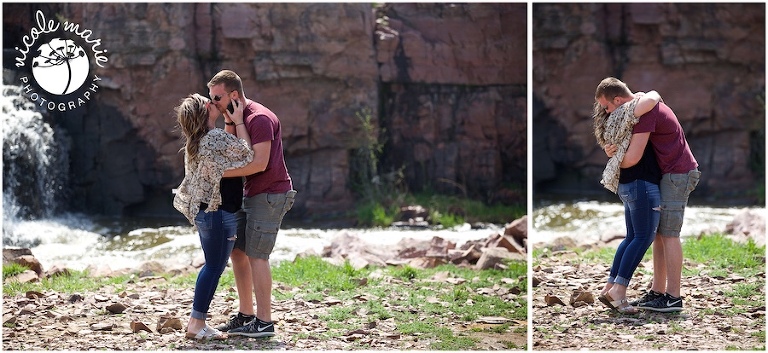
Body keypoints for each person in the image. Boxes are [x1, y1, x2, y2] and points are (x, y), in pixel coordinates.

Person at [207, 70, 296, 338]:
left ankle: (264, 322)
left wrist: (216, 173)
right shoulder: (239, 117)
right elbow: (232, 151)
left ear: (234, 95)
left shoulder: (259, 119)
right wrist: (230, 120)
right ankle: (246, 315)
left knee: (258, 255)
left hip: (270, 194)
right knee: (238, 251)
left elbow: (258, 163)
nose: (212, 102)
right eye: (210, 97)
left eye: (217, 97)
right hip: (253, 193)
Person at [604, 79, 701, 313]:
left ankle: (673, 297)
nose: (610, 115)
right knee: (658, 234)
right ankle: (658, 293)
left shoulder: (644, 111)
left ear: (618, 101)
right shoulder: (641, 107)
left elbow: (634, 157)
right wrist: (611, 150)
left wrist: (614, 161)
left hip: (678, 174)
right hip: (670, 173)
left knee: (669, 235)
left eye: (607, 109)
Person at [172, 93, 253, 340]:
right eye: (207, 100)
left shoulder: (197, 142)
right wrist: (239, 121)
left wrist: (229, 122)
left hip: (205, 213)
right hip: (218, 213)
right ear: (205, 111)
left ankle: (197, 320)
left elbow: (225, 150)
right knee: (214, 267)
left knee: (211, 265)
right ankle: (196, 323)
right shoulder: (213, 138)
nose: (211, 100)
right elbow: (247, 155)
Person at [593, 77, 663, 314]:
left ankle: (610, 287)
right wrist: (648, 92)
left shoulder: (616, 117)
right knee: (643, 238)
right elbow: (654, 98)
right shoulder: (630, 109)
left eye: (606, 106)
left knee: (632, 236)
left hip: (626, 183)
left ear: (617, 98)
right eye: (606, 107)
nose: (606, 111)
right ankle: (618, 292)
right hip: (641, 182)